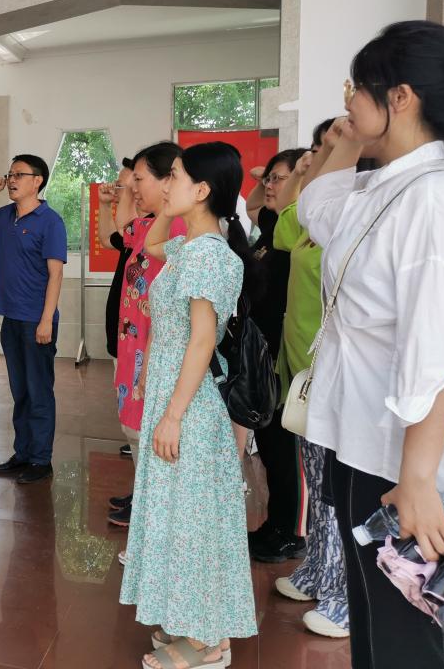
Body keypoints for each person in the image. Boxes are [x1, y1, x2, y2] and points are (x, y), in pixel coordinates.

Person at [297, 20, 444, 668]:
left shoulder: (437, 201)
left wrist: (419, 480)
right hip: (362, 440)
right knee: (374, 623)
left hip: (403, 460)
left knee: (404, 641)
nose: (347, 101)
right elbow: (316, 209)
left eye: (356, 88)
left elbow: (441, 354)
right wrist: (346, 142)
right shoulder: (386, 185)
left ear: (400, 97)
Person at [121, 142, 257, 669]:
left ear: (201, 190)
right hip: (174, 394)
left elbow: (202, 340)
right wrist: (164, 209)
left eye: (173, 176)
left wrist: (173, 415)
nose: (164, 184)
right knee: (180, 516)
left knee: (194, 523)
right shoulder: (189, 247)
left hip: (190, 407)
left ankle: (208, 643)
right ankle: (195, 625)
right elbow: (153, 246)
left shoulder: (209, 256)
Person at [267, 118, 351, 639]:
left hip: (338, 376)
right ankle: (319, 569)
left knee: (339, 491)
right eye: (318, 149)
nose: (316, 158)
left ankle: (344, 593)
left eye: (326, 149)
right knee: (317, 483)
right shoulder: (311, 222)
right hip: (303, 369)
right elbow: (282, 226)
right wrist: (308, 170)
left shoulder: (352, 216)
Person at [0, 154, 67, 485]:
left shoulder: (50, 222)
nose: (11, 180)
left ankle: (41, 460)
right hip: (11, 319)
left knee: (39, 391)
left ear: (37, 181)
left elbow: (56, 275)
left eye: (19, 174)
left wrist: (46, 320)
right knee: (20, 391)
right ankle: (22, 454)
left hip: (37, 320)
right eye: (10, 174)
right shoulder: (4, 216)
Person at [99, 143, 186, 529]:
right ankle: (146, 506)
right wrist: (123, 195)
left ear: (169, 180)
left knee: (150, 435)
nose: (132, 187)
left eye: (139, 178)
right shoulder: (149, 226)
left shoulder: (182, 231)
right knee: (135, 430)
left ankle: (155, 519)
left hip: (154, 352)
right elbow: (121, 230)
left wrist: (150, 362)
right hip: (132, 346)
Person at [242, 147, 309, 564]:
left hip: (286, 354)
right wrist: (263, 180)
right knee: (268, 442)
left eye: (278, 178)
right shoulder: (272, 225)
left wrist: (295, 179)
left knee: (286, 449)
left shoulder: (302, 227)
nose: (269, 185)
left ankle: (292, 533)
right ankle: (275, 524)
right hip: (263, 352)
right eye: (269, 178)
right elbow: (252, 205)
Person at [97, 158, 136, 364]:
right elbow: (107, 239)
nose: (116, 191)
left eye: (120, 186)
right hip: (121, 336)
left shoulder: (153, 232)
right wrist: (105, 205)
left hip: (137, 344)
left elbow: (123, 229)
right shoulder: (134, 232)